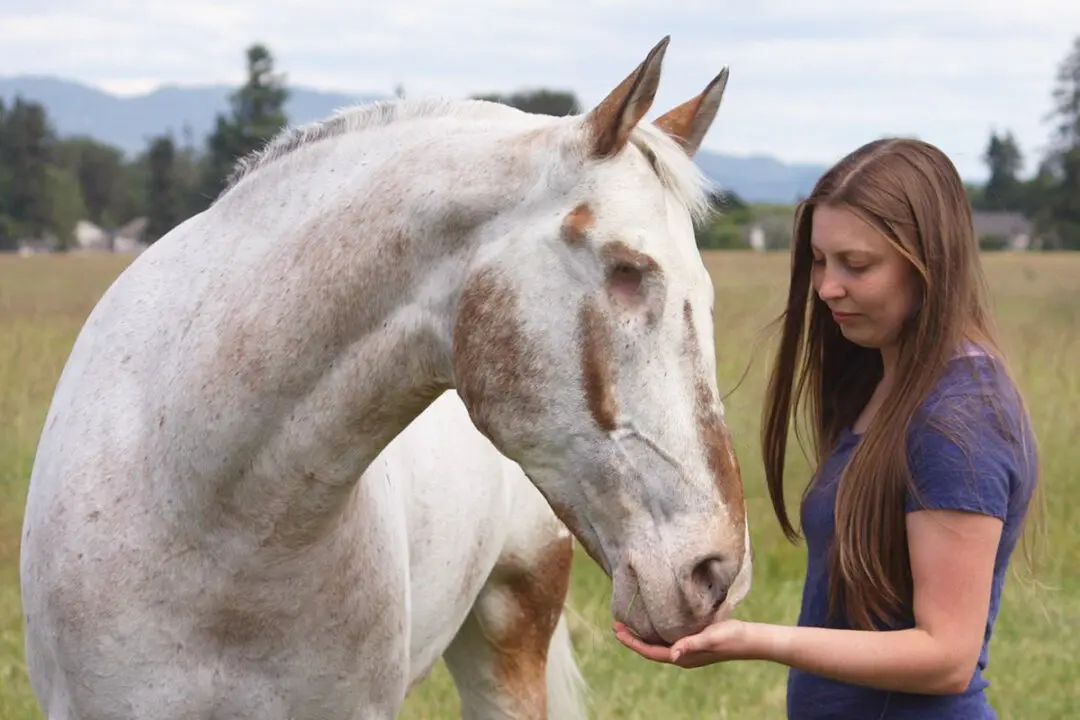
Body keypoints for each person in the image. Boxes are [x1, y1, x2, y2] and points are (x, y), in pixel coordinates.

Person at [613, 137, 1042, 719]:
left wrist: (756, 641)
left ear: (929, 263)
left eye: (856, 265)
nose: (826, 287)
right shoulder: (888, 386)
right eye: (819, 260)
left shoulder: (957, 418)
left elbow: (947, 655)